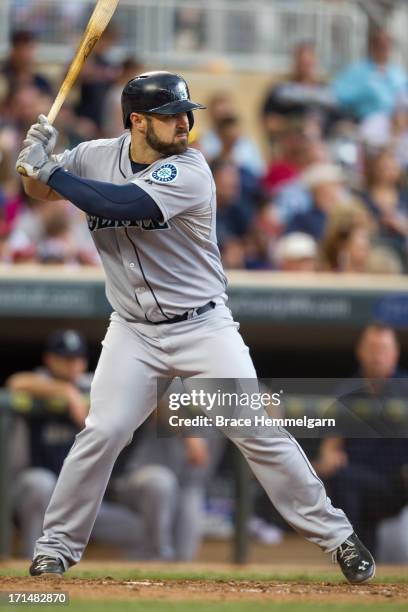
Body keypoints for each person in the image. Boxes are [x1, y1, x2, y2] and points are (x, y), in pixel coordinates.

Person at [16, 70, 374, 584]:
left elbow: (120, 204)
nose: (183, 122)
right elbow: (38, 191)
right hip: (133, 331)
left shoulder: (190, 169)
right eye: (169, 116)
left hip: (202, 328)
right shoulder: (94, 155)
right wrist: (34, 161)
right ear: (137, 122)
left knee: (256, 430)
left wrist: (49, 171)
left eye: (186, 113)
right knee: (102, 431)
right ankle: (54, 549)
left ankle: (339, 539)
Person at [315, 324, 408, 558]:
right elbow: (330, 447)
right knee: (341, 477)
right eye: (373, 349)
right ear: (361, 352)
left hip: (398, 482)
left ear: (395, 353)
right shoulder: (346, 392)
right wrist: (329, 456)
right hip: (359, 481)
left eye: (384, 349)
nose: (378, 356)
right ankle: (353, 555)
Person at [332, 28, 407, 122]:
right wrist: (364, 91)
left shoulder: (398, 72)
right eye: (380, 44)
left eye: (387, 44)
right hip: (365, 122)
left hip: (397, 126)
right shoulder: (357, 70)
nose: (384, 48)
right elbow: (339, 94)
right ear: (372, 46)